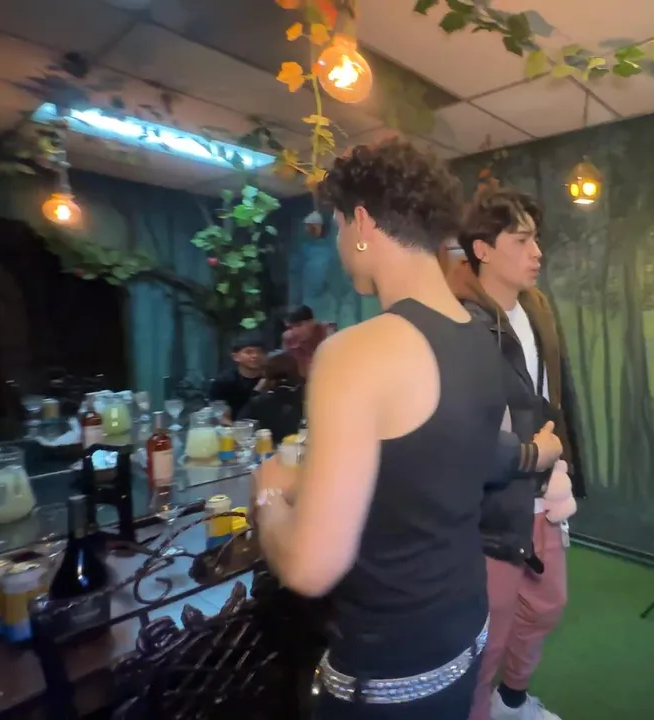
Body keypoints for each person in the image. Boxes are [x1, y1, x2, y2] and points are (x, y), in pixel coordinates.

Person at [252, 139, 508, 719]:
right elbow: (417, 473)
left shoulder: (355, 353)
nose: (340, 242)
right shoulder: (479, 337)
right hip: (463, 633)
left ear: (363, 222)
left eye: (340, 225)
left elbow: (310, 567)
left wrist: (267, 495)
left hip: (389, 672)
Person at [449, 188, 586, 720]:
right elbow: (465, 429)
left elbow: (555, 394)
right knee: (492, 628)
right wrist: (531, 454)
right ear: (483, 249)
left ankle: (511, 699)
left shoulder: (536, 308)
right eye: (522, 240)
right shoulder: (460, 322)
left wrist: (564, 467)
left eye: (537, 239)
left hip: (544, 488)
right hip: (492, 501)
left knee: (548, 603)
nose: (537, 252)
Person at [237, 350, 305, 444]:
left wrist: (255, 392)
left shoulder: (259, 402)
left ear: (267, 374)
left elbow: (240, 427)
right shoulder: (310, 398)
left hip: (266, 449)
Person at [207, 333, 267, 419]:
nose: (255, 356)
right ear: (235, 357)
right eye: (249, 352)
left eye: (260, 352)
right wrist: (256, 392)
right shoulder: (223, 382)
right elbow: (222, 417)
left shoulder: (271, 379)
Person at [282, 304, 329, 378]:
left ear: (312, 322)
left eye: (299, 325)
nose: (296, 331)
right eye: (291, 327)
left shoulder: (326, 333)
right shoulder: (289, 339)